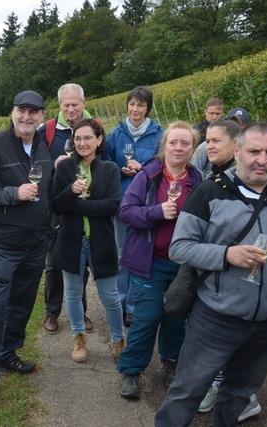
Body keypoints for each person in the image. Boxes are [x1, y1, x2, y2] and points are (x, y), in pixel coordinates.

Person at [155, 122, 267, 427]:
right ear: (238, 151)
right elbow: (180, 248)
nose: (262, 159)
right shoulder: (209, 193)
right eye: (254, 151)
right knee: (186, 393)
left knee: (239, 394)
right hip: (216, 318)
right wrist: (226, 255)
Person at [0, 90, 52, 405]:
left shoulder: (44, 147)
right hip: (2, 242)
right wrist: (11, 194)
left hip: (34, 243)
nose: (27, 117)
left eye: (33, 112)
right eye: (22, 110)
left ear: (42, 116)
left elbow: (49, 190)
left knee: (23, 303)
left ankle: (8, 353)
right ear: (12, 112)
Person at [117, 121, 202, 399]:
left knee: (176, 315)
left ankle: (170, 363)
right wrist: (155, 212)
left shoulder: (198, 179)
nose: (178, 148)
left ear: (193, 147)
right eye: (173, 142)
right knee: (146, 317)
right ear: (164, 146)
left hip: (183, 264)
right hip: (150, 261)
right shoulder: (149, 176)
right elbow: (126, 212)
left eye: (185, 143)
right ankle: (131, 371)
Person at [194, 119, 263, 421]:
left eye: (215, 141)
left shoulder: (240, 184)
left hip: (232, 279)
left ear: (235, 148)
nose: (208, 146)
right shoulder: (215, 178)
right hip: (215, 274)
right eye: (207, 140)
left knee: (228, 340)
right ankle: (232, 391)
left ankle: (239, 396)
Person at [52, 118, 124, 363]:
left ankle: (117, 340)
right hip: (71, 241)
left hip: (101, 241)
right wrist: (69, 192)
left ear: (99, 140)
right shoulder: (63, 169)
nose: (83, 143)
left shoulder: (110, 169)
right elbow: (56, 205)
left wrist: (78, 205)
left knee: (110, 297)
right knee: (72, 294)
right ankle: (79, 338)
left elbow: (112, 206)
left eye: (88, 138)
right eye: (78, 138)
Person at [106, 86, 162, 327]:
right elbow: (105, 163)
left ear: (148, 108)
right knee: (121, 254)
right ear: (127, 106)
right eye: (132, 104)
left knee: (142, 252)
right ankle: (120, 303)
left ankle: (135, 305)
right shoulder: (115, 134)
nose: (136, 109)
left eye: (141, 105)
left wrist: (145, 169)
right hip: (122, 200)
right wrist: (121, 169)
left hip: (147, 202)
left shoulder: (159, 134)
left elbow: (163, 164)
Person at [40, 83, 93, 335]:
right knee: (52, 261)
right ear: (60, 105)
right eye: (66, 105)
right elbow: (35, 164)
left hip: (84, 202)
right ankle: (52, 312)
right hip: (55, 203)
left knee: (79, 258)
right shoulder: (48, 130)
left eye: (75, 104)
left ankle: (80, 311)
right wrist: (55, 164)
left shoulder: (95, 128)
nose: (71, 109)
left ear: (83, 103)